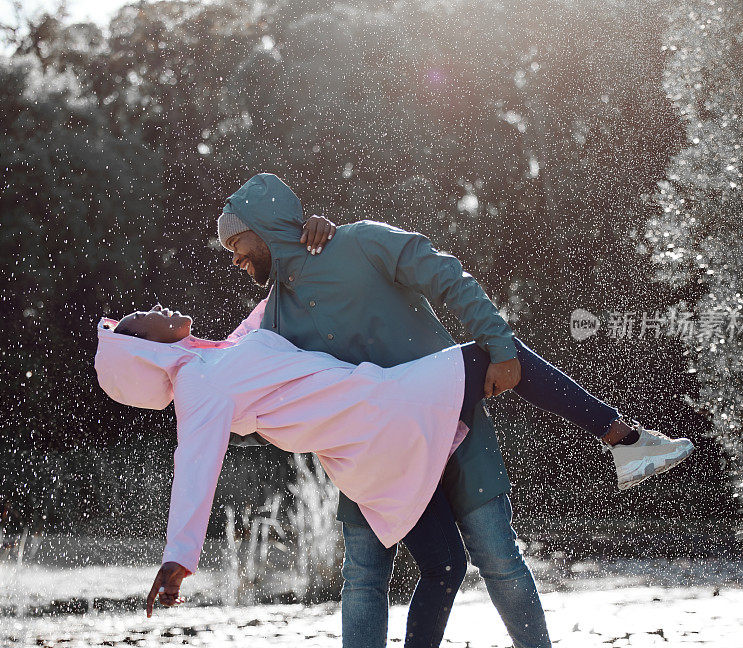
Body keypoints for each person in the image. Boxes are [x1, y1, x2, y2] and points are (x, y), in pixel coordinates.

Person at [214, 172, 693, 648]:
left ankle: (627, 444)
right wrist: (233, 424)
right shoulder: (272, 321)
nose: (233, 257)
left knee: (500, 560)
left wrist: (500, 346)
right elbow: (268, 403)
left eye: (236, 240)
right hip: (373, 459)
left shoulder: (360, 242)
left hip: (453, 422)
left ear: (267, 224)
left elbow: (446, 275)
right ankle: (626, 440)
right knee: (368, 575)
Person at [94, 303, 693, 645]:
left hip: (372, 445)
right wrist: (178, 557)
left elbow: (279, 292)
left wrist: (314, 235)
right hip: (385, 410)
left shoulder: (221, 355)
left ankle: (627, 441)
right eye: (138, 319)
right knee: (491, 354)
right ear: (140, 350)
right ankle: (626, 438)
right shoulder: (197, 385)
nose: (153, 309)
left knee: (445, 565)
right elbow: (195, 463)